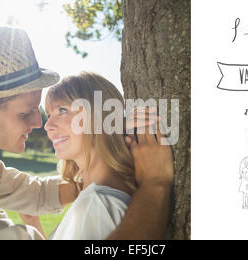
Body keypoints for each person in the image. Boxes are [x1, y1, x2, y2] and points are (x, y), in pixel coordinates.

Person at [0, 27, 174, 240]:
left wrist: (99, 173)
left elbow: (33, 192)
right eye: (26, 112)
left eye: (60, 111)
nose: (39, 122)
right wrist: (156, 184)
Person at [39, 72, 170, 239]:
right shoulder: (92, 199)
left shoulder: (99, 204)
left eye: (62, 110)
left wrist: (156, 183)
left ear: (99, 117)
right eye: (49, 115)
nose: (47, 125)